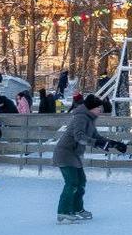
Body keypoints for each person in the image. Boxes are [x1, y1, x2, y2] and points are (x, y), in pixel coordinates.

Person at [53, 94, 127, 224]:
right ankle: (63, 211)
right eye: (99, 108)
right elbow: (79, 136)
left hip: (73, 154)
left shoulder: (89, 119)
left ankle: (77, 209)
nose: (101, 111)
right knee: (72, 182)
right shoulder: (81, 117)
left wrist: (114, 143)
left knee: (81, 181)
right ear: (92, 108)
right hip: (65, 153)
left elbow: (96, 136)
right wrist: (97, 143)